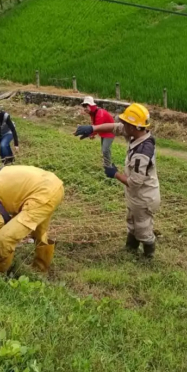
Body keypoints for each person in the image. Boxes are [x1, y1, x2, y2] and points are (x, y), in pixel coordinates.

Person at [75, 103, 160, 258]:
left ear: (133, 127)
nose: (122, 125)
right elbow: (115, 128)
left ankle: (149, 255)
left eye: (125, 123)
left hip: (144, 197)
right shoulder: (138, 132)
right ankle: (130, 248)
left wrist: (114, 173)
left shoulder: (142, 153)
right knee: (132, 221)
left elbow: (134, 183)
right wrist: (93, 128)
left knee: (143, 228)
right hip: (136, 195)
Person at [80, 96, 115, 167]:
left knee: (105, 149)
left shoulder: (100, 113)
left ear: (91, 106)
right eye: (84, 107)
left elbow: (97, 127)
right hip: (103, 131)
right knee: (104, 149)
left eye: (86, 106)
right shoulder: (93, 112)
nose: (85, 109)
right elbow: (94, 124)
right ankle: (106, 163)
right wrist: (92, 134)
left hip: (110, 131)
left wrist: (91, 134)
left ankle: (108, 166)